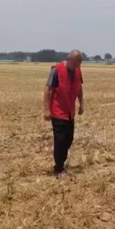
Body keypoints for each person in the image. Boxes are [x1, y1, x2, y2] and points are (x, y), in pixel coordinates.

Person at [43, 50, 84, 179]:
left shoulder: (77, 71)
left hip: (70, 112)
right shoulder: (56, 70)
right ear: (68, 59)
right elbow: (47, 90)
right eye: (74, 63)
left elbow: (79, 88)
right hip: (57, 111)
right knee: (60, 140)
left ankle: (61, 161)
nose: (76, 66)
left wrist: (81, 103)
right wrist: (46, 109)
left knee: (69, 139)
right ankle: (59, 168)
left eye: (78, 64)